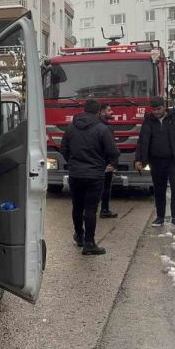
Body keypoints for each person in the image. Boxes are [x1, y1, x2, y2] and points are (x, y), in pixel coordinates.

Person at [61, 99, 120, 255]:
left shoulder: (71, 127)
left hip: (75, 174)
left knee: (77, 206)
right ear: (98, 112)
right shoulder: (102, 129)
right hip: (94, 175)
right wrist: (111, 163)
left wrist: (72, 163)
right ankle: (89, 243)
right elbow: (112, 151)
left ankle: (79, 236)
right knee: (91, 209)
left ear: (84, 110)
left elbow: (64, 148)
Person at [134, 97, 175, 227]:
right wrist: (139, 159)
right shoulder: (148, 121)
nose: (156, 112)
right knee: (159, 189)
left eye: (158, 109)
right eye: (154, 109)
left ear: (164, 106)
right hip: (156, 161)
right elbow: (142, 142)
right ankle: (160, 217)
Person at [98, 103, 118, 218]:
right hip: (105, 162)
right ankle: (104, 210)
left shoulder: (95, 125)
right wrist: (113, 163)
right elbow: (111, 147)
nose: (112, 112)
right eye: (109, 110)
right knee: (105, 187)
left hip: (95, 161)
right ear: (102, 112)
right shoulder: (106, 128)